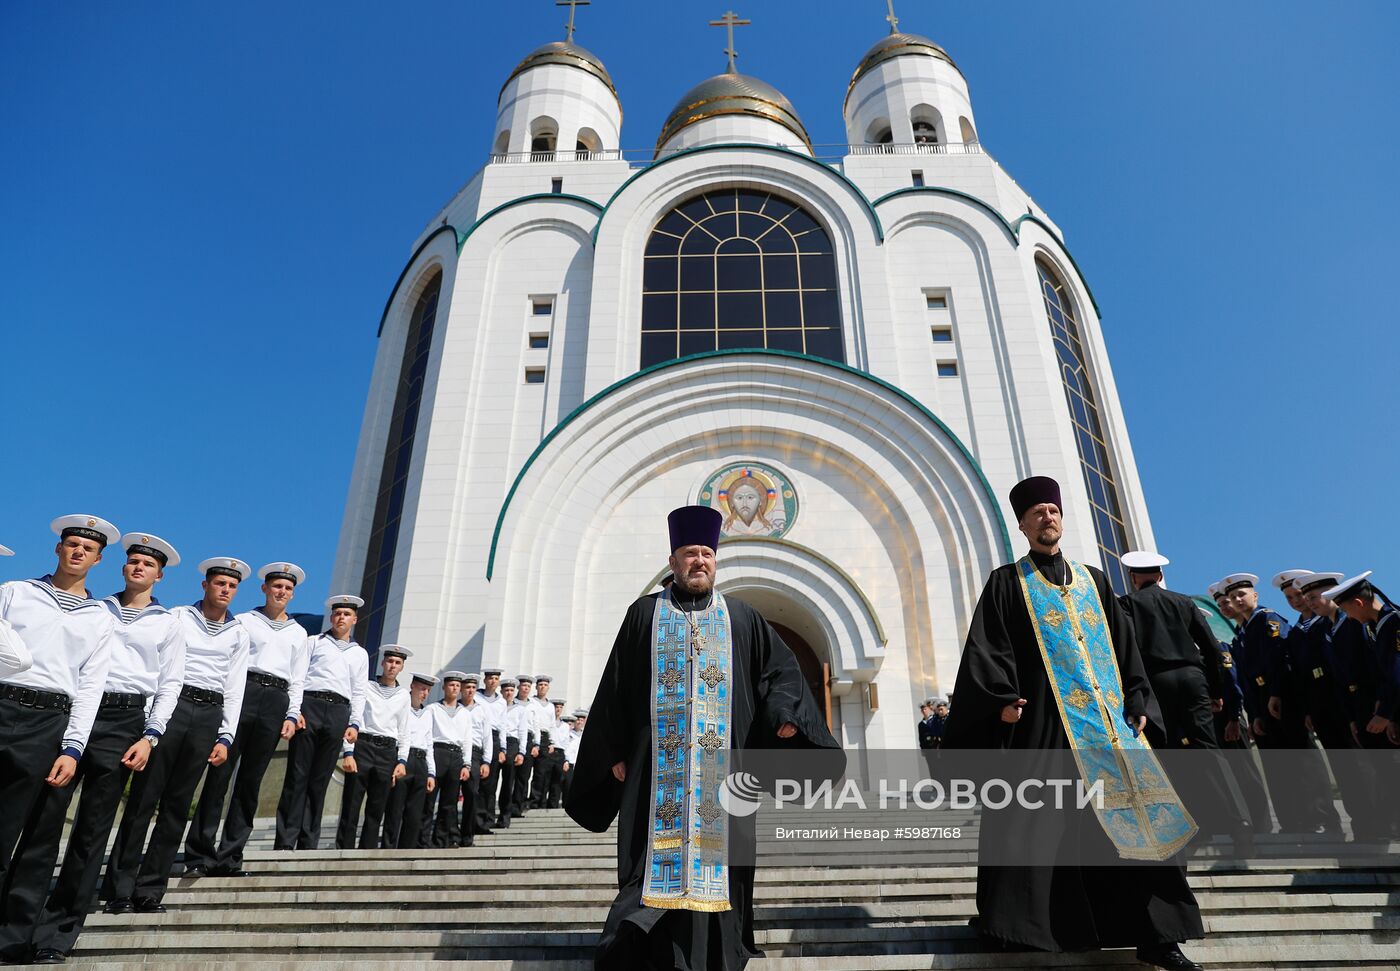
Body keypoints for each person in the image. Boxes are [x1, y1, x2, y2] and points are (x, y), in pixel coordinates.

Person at [941, 477, 1203, 970]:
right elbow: (987, 649)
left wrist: (1139, 697)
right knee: (1034, 828)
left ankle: (1157, 936)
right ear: (1022, 524)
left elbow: (1127, 648)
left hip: (1107, 730)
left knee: (1138, 825)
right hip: (1043, 724)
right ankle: (1023, 931)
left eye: (1053, 511)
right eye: (1037, 513)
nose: (1047, 519)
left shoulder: (1094, 581)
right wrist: (998, 700)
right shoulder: (1006, 582)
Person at [567, 504, 840, 971]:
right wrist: (613, 750)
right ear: (672, 562)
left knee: (723, 865)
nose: (700, 562)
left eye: (707, 554)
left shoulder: (741, 617)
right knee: (650, 865)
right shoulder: (644, 614)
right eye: (690, 554)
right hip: (657, 771)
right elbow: (616, 685)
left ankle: (719, 952)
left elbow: (781, 672)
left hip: (723, 772)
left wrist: (781, 713)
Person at [0, 516, 122, 965]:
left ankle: (12, 939)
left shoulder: (100, 619)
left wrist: (73, 747)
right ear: (57, 549)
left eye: (86, 549)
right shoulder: (15, 592)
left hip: (50, 721)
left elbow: (91, 686)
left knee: (36, 837)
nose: (77, 553)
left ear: (98, 559)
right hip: (2, 703)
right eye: (71, 544)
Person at [102, 556, 252, 914]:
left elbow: (235, 687)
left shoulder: (239, 632)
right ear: (205, 585)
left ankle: (150, 889)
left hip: (208, 714)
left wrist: (225, 735)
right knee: (143, 799)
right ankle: (119, 888)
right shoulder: (179, 617)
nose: (225, 590)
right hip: (175, 706)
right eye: (219, 583)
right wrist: (155, 719)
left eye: (232, 586)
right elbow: (162, 669)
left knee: (177, 806)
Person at [1118, 550, 1252, 850]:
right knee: (1209, 752)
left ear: (1134, 578)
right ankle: (1239, 823)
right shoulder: (1182, 601)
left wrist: (1135, 697)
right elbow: (1211, 648)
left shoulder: (1127, 604)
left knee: (1170, 755)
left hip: (1156, 684)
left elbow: (1128, 653)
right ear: (1161, 576)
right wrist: (1216, 691)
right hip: (1193, 680)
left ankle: (1190, 824)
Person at [185, 562, 310, 877]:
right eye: (276, 586)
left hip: (276, 700)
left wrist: (292, 714)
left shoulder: (299, 633)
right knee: (219, 774)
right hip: (244, 692)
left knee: (251, 781)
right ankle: (199, 852)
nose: (281, 592)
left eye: (288, 588)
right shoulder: (243, 621)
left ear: (293, 594)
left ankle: (230, 855)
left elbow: (298, 679)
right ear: (265, 588)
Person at [1223, 573, 1339, 835]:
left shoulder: (1269, 619)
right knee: (1277, 765)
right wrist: (1254, 715)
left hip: (1284, 695)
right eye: (1232, 597)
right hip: (1261, 702)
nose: (1237, 600)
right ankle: (1291, 821)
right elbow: (1245, 678)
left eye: (1242, 594)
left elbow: (1279, 659)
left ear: (1255, 595)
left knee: (1301, 758)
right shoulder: (1241, 632)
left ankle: (1319, 817)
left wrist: (1275, 693)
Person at [1292, 572, 1385, 840]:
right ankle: (1363, 824)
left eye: (1314, 596)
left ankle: (1378, 824)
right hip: (1346, 707)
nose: (1310, 602)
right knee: (1347, 771)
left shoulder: (1352, 623)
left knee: (1366, 767)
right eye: (1306, 598)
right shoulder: (1324, 629)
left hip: (1367, 701)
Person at [274, 594, 367, 850]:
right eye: (337, 613)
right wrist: (296, 710)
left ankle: (308, 842)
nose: (341, 618)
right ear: (331, 616)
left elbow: (359, 692)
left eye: (346, 614)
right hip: (311, 708)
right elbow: (299, 677)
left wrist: (354, 723)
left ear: (354, 619)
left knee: (320, 780)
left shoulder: (360, 654)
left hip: (338, 712)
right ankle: (285, 840)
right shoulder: (314, 642)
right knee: (297, 776)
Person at [336, 645, 411, 849]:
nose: (392, 666)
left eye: (397, 663)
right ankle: (344, 850)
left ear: (402, 667)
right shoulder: (366, 687)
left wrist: (401, 760)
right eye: (389, 661)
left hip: (387, 752)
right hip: (363, 746)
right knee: (351, 803)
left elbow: (404, 730)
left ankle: (367, 851)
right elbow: (353, 717)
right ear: (382, 663)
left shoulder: (404, 695)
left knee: (376, 807)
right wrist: (348, 752)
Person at [382, 673, 436, 849]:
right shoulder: (402, 708)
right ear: (412, 687)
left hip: (420, 762)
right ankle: (389, 847)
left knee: (414, 812)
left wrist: (431, 772)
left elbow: (429, 744)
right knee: (395, 808)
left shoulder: (427, 713)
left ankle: (407, 848)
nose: (424, 693)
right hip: (403, 759)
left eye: (427, 690)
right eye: (422, 689)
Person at [425, 671, 475, 848]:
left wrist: (466, 764)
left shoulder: (465, 713)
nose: (454, 688)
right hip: (438, 752)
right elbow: (427, 736)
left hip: (456, 756)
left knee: (449, 802)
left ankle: (441, 839)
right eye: (451, 685)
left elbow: (467, 740)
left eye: (457, 686)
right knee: (429, 800)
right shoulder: (432, 709)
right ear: (444, 687)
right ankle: (423, 840)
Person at [460, 673, 492, 838]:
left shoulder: (482, 710)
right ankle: (449, 834)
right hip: (456, 752)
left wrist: (486, 761)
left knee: (472, 794)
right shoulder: (456, 708)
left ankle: (467, 834)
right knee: (450, 796)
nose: (470, 690)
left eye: (473, 687)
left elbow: (487, 737)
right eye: (467, 687)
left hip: (475, 753)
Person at [476, 667, 506, 831]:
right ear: (485, 680)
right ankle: (476, 818)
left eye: (496, 679)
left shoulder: (501, 702)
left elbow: (503, 726)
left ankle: (487, 819)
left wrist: (503, 749)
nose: (493, 681)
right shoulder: (476, 696)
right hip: (478, 737)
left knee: (491, 784)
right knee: (477, 782)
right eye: (490, 678)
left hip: (494, 739)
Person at [496, 678, 525, 827]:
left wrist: (521, 752)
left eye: (511, 690)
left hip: (512, 744)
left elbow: (522, 731)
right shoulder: (496, 706)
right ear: (501, 691)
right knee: (492, 782)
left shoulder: (520, 709)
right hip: (497, 743)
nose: (509, 693)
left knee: (508, 783)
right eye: (506, 690)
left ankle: (504, 816)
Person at [511, 674, 539, 818]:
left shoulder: (533, 705)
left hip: (528, 739)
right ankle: (508, 806)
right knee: (511, 775)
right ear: (518, 687)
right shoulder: (511, 702)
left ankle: (518, 806)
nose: (526, 688)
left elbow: (536, 725)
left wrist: (537, 744)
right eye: (524, 686)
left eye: (528, 686)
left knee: (524, 777)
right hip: (514, 738)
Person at [529, 674, 557, 809]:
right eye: (540, 685)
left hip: (545, 738)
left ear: (548, 687)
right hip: (533, 736)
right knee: (529, 771)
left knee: (541, 772)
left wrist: (552, 742)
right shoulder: (531, 701)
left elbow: (552, 725)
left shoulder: (551, 706)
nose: (542, 687)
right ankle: (529, 800)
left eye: (545, 685)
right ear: (536, 687)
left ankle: (538, 801)